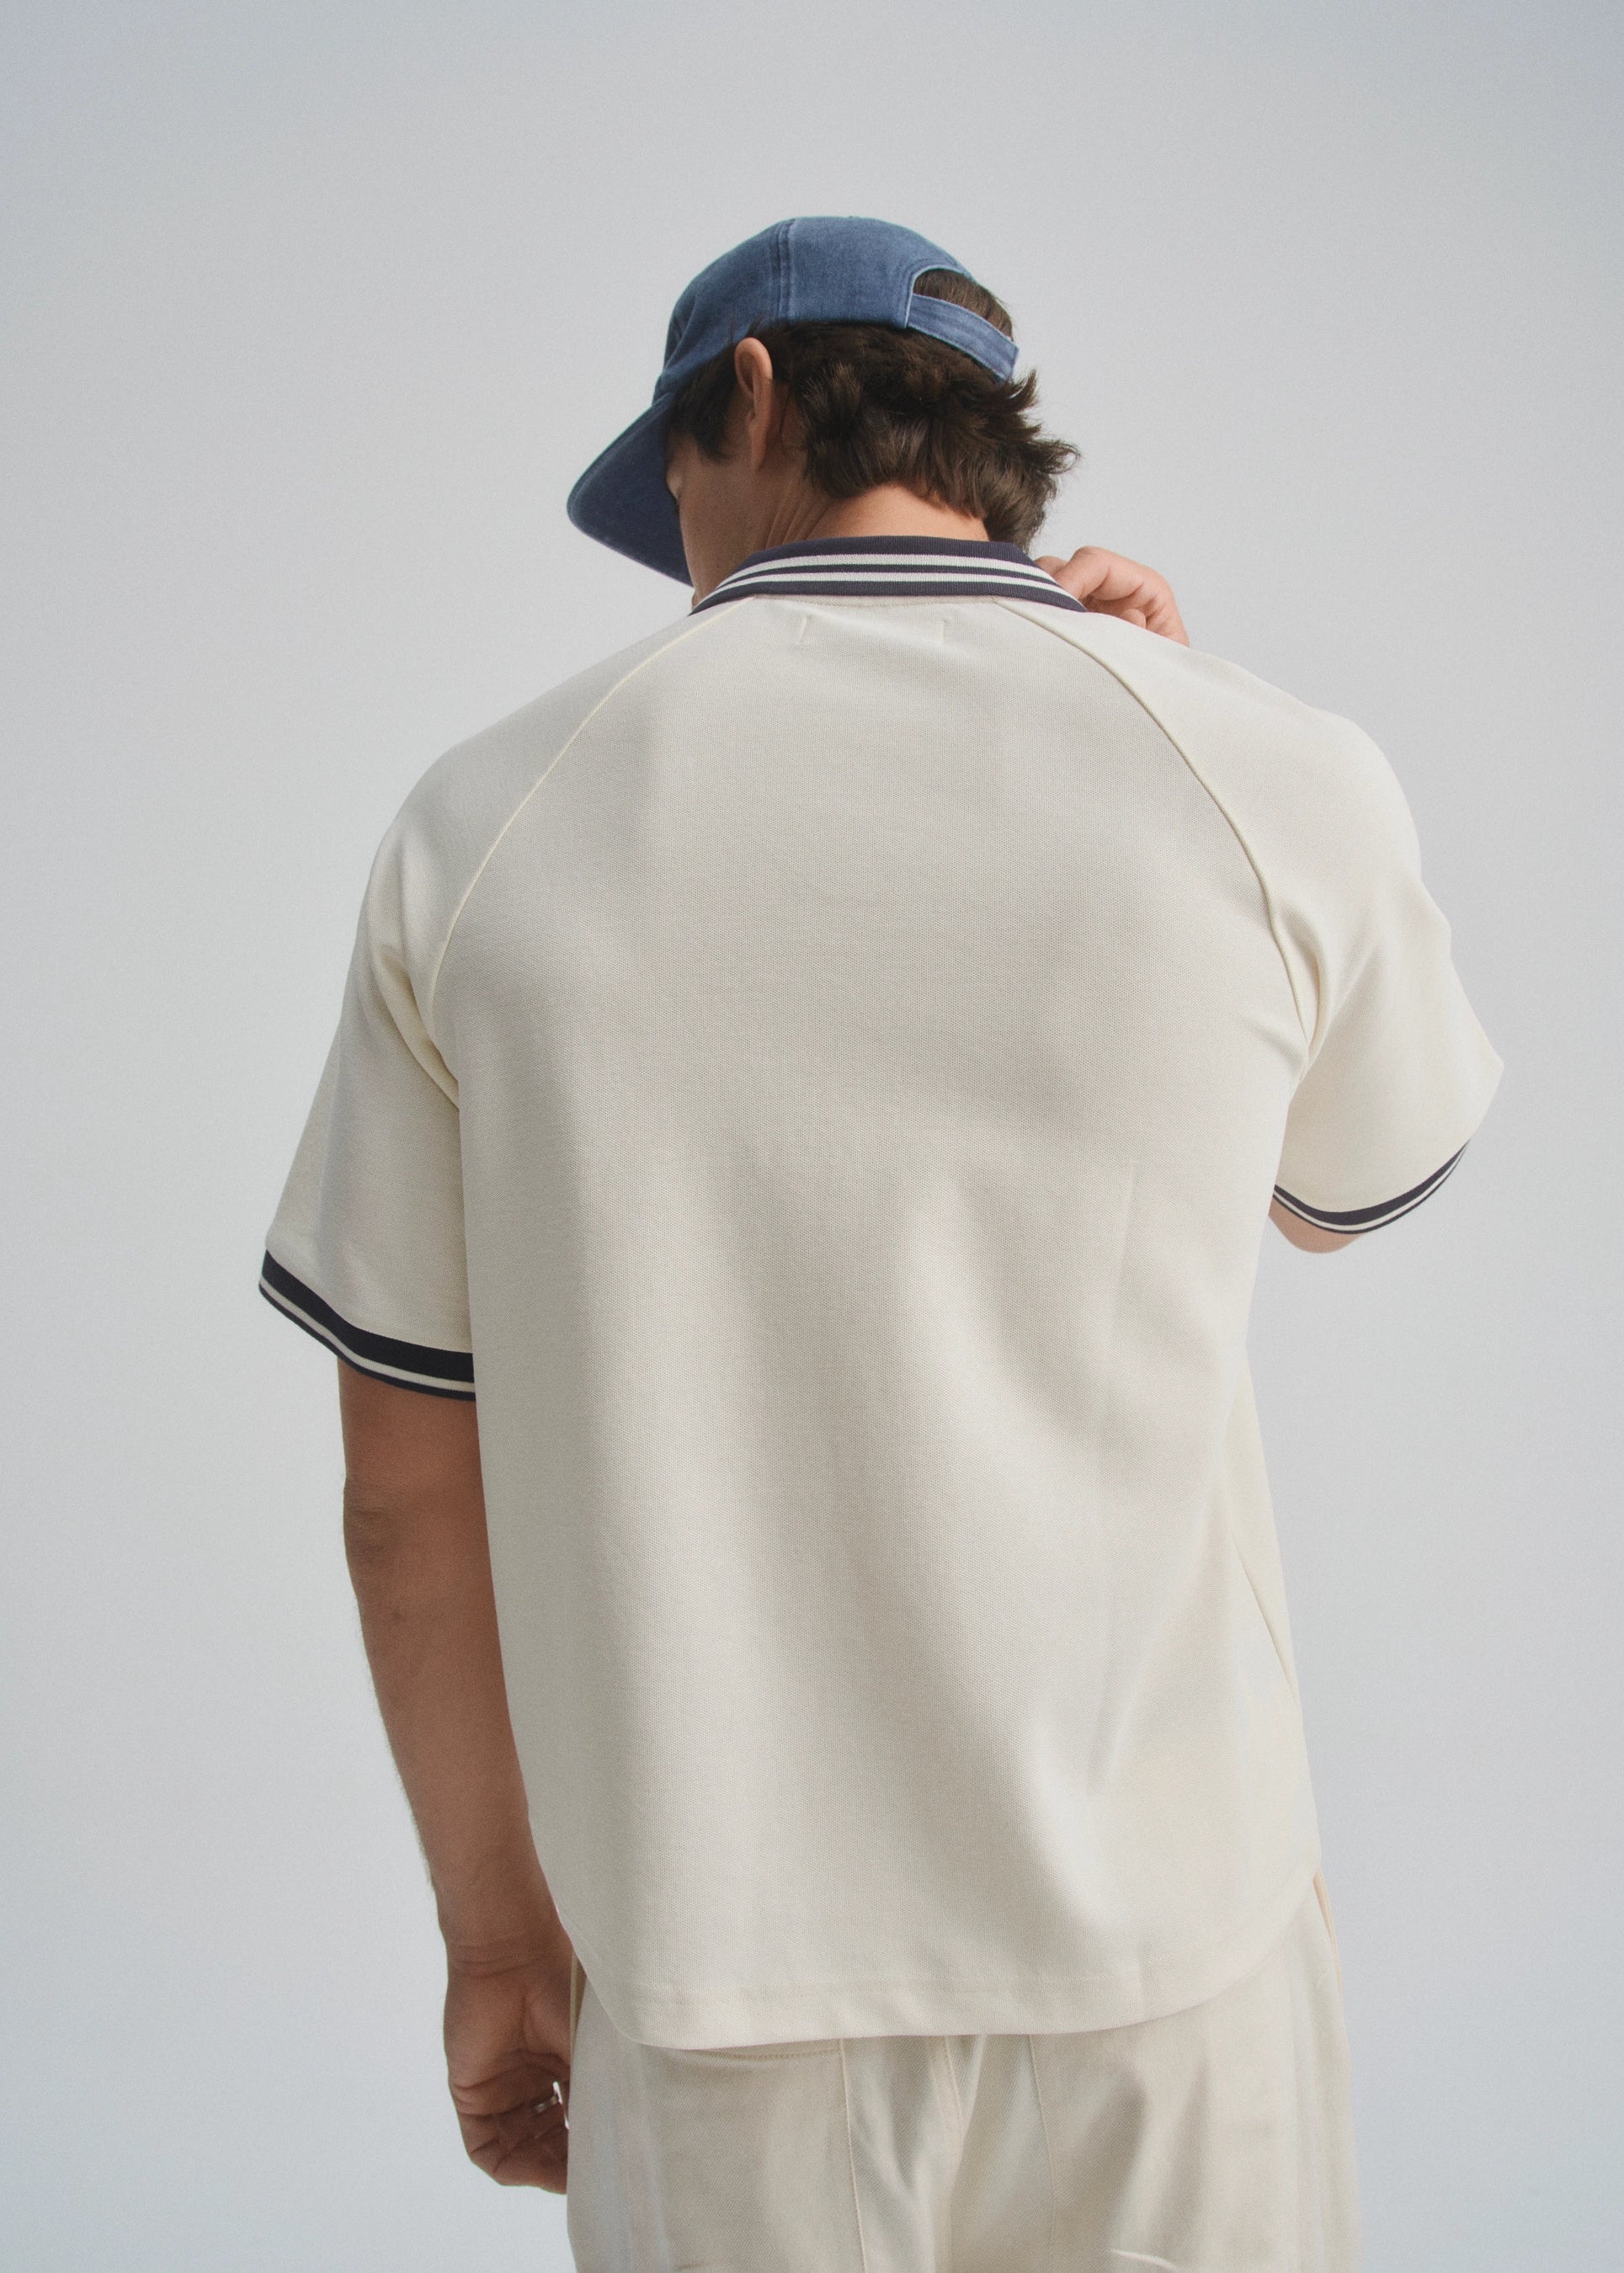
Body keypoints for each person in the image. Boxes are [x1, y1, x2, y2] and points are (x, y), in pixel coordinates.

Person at [259, 217, 1501, 2269]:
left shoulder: (485, 826)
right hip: (1172, 1964)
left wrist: (498, 1943)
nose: (679, 553)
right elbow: (1332, 1194)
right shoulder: (1261, 770)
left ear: (747, 399)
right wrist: (1177, 710)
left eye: (669, 488)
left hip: (717, 1994)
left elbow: (406, 1487)